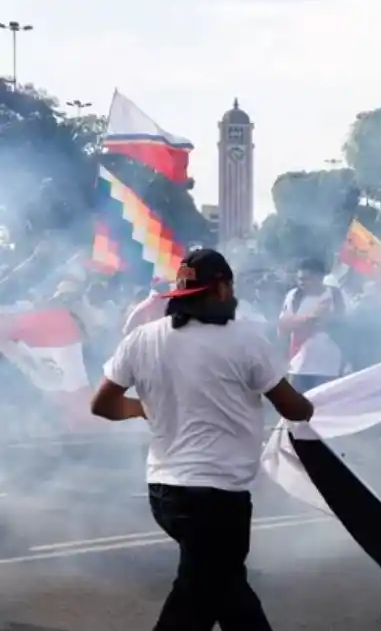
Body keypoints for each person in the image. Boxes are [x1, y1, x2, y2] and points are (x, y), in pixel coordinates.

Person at [89, 248, 315, 631]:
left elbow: (104, 405)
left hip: (166, 492)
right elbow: (295, 409)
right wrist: (313, 403)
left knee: (225, 590)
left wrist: (145, 408)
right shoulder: (246, 340)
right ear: (223, 289)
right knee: (200, 595)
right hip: (217, 496)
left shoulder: (142, 338)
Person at [279, 258, 345, 392]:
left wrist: (328, 321)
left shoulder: (335, 295)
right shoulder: (293, 296)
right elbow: (284, 324)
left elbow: (346, 324)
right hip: (298, 365)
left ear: (320, 277)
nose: (301, 283)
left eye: (306, 279)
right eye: (300, 279)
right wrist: (312, 318)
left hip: (329, 367)